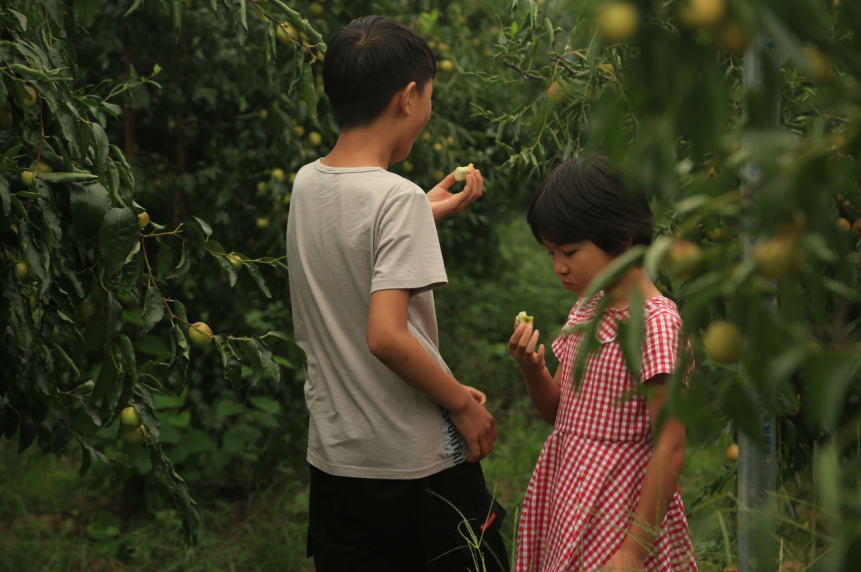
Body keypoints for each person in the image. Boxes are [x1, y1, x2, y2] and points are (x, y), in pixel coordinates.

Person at [286, 15, 509, 572]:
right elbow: (386, 336)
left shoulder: (306, 183)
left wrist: (423, 211)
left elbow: (350, 242)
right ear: (408, 97)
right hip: (414, 464)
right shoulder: (396, 199)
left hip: (338, 460)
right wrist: (459, 401)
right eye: (428, 96)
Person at [507, 156, 697, 572]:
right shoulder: (588, 308)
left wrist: (633, 552)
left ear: (623, 239)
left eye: (570, 251)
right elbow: (559, 413)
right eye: (551, 252)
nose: (559, 266)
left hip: (619, 510)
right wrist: (533, 368)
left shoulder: (656, 325)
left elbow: (671, 445)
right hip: (570, 497)